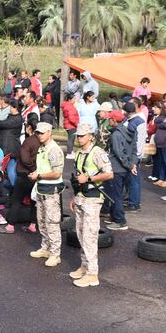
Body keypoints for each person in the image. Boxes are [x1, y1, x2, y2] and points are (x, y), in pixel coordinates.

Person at [69, 123, 114, 288]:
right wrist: (76, 196)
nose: (79, 138)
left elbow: (109, 174)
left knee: (89, 236)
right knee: (81, 234)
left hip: (93, 199)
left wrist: (88, 179)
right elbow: (78, 177)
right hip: (82, 196)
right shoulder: (80, 153)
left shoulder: (97, 152)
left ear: (90, 136)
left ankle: (92, 274)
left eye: (82, 135)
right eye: (78, 136)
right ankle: (84, 266)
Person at [28, 122, 65, 267]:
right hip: (41, 189)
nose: (39, 135)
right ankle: (45, 248)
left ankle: (55, 254)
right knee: (41, 221)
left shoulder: (54, 150)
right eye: (38, 133)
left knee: (52, 223)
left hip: (51, 190)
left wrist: (39, 175)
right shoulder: (42, 148)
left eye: (42, 133)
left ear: (49, 132)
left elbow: (57, 173)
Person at [0, 115, 40, 234]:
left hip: (25, 175)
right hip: (36, 176)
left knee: (16, 200)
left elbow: (25, 160)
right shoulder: (41, 141)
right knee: (33, 202)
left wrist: (32, 169)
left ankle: (10, 225)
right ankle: (32, 224)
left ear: (29, 128)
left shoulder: (29, 141)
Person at [103, 110, 134, 231]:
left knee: (115, 195)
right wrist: (130, 164)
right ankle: (114, 216)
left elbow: (119, 153)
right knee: (117, 194)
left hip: (116, 168)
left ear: (114, 120)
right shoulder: (125, 130)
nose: (108, 121)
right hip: (123, 169)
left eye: (110, 119)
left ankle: (120, 220)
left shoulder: (116, 134)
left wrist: (128, 164)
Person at [124, 102, 146, 213]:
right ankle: (132, 201)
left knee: (134, 180)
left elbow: (139, 142)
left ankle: (134, 203)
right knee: (131, 180)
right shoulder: (135, 121)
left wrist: (135, 157)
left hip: (134, 156)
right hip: (133, 155)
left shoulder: (136, 122)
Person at [149, 102, 166, 187]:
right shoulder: (164, 117)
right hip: (160, 143)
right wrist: (162, 121)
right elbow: (157, 121)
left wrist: (161, 122)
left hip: (165, 143)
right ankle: (161, 178)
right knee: (161, 162)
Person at [62, 92, 80, 159]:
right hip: (71, 125)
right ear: (70, 99)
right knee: (71, 139)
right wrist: (77, 124)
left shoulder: (67, 105)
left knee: (71, 139)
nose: (75, 100)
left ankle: (71, 151)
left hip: (68, 125)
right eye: (74, 99)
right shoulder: (70, 107)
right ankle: (69, 153)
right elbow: (71, 118)